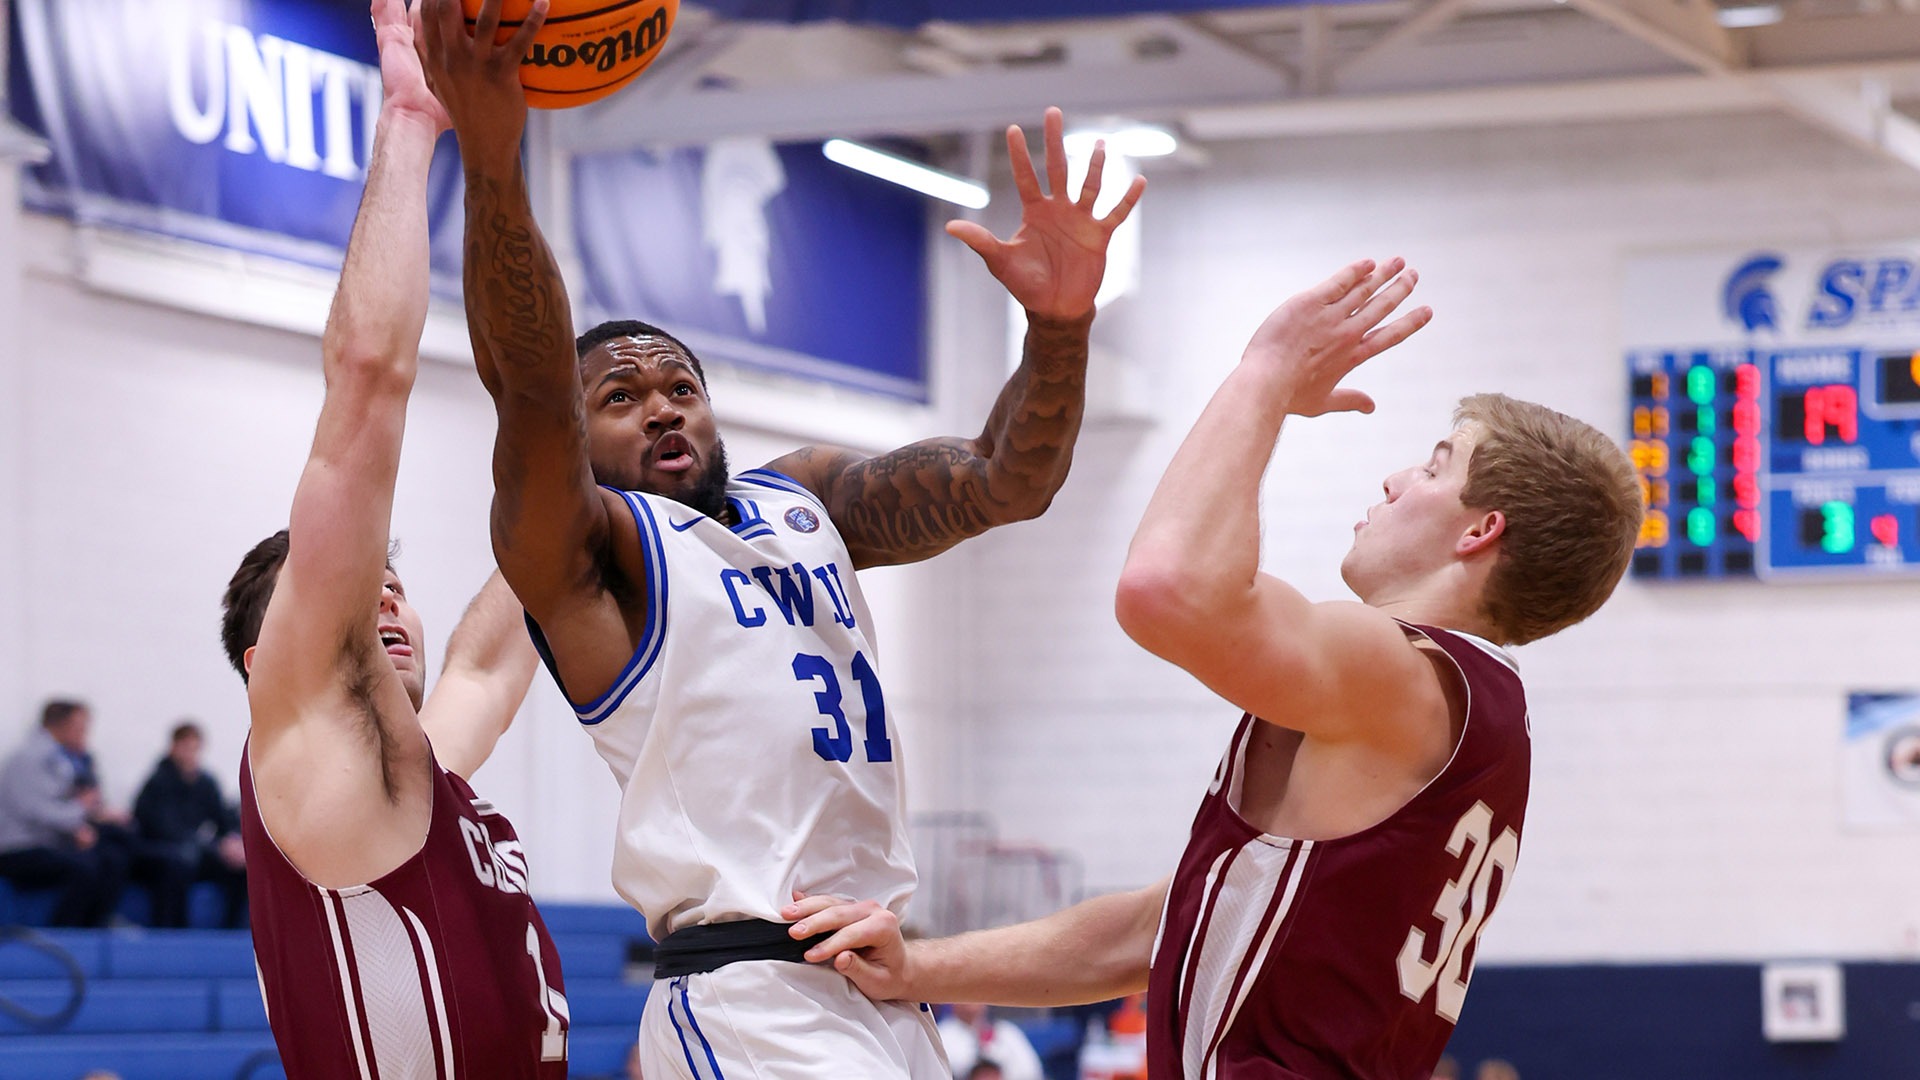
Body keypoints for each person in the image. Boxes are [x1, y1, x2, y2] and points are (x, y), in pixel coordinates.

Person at [416, 1, 1145, 1074]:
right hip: (747, 993)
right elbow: (527, 390)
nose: (664, 407)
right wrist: (492, 152)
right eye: (622, 396)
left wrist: (1061, 327)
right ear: (578, 436)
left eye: (682, 386)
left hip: (883, 987)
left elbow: (1005, 482)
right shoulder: (592, 561)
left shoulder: (803, 497)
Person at [789, 260, 1644, 1080]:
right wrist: (919, 969)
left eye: (1433, 465)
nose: (1393, 479)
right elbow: (1153, 930)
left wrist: (1266, 375)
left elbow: (1168, 589)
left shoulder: (1408, 675)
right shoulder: (1467, 708)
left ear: (1478, 531)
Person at [216, 2, 561, 1076]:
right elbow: (367, 389)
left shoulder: (416, 776)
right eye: (354, 586)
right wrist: (411, 122)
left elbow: (500, 644)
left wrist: (608, 465)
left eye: (396, 584)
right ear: (261, 664)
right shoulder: (312, 744)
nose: (386, 598)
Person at [0, 700, 132, 926]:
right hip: (20, 849)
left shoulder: (69, 761)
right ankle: (66, 932)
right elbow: (39, 811)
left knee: (114, 855)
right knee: (85, 867)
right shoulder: (27, 759)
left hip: (53, 843)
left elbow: (71, 804)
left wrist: (91, 816)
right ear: (59, 725)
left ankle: (97, 925)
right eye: (79, 726)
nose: (85, 733)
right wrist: (81, 814)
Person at [132, 721, 247, 928]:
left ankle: (232, 930)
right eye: (186, 747)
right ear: (174, 747)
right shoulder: (158, 782)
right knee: (179, 863)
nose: (190, 754)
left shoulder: (205, 782)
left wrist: (231, 841)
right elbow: (160, 827)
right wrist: (204, 845)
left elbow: (222, 819)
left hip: (193, 851)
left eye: (195, 748)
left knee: (239, 867)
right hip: (161, 852)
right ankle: (173, 929)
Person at [938, 1002, 1044, 1080]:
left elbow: (1032, 1072)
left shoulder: (1007, 1031)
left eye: (976, 995)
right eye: (963, 996)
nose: (969, 1002)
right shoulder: (942, 1034)